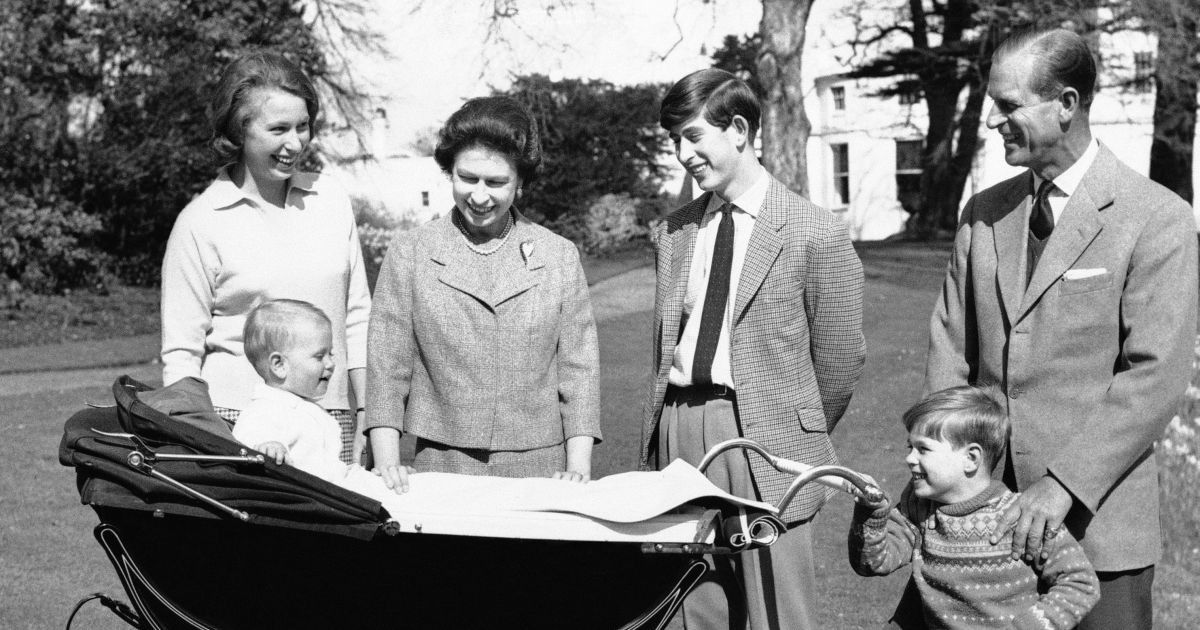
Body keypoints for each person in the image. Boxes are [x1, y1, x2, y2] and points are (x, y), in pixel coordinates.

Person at [925, 28, 1198, 630]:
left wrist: (1063, 485)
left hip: (1099, 536)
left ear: (1067, 104)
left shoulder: (1156, 218)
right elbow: (951, 348)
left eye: (1008, 106)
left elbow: (1154, 378)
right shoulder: (983, 214)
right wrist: (949, 471)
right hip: (979, 535)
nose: (994, 122)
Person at [640, 68, 866, 629]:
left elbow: (839, 358)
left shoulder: (813, 230)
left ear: (738, 129)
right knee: (690, 605)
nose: (683, 154)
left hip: (762, 441)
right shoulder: (675, 232)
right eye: (674, 142)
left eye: (693, 137)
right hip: (677, 428)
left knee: (776, 610)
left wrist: (792, 428)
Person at [365, 96, 601, 492]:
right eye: (467, 178)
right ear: (449, 173)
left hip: (541, 464)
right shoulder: (411, 252)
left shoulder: (558, 255)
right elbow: (387, 367)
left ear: (521, 182)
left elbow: (579, 370)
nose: (478, 196)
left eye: (495, 182)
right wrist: (387, 464)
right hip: (441, 461)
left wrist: (577, 469)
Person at [160, 51, 371, 466]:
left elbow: (358, 316)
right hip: (237, 425)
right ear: (239, 131)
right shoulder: (200, 222)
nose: (295, 143)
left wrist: (367, 412)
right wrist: (207, 442)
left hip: (333, 419)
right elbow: (181, 354)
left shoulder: (330, 200)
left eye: (303, 127)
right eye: (278, 129)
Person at [849, 386, 1100, 629]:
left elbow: (1081, 583)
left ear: (971, 459)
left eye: (923, 449)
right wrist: (871, 514)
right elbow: (872, 563)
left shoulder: (1020, 518)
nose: (909, 458)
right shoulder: (917, 511)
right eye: (910, 447)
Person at [231, 299, 408, 496]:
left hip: (330, 499)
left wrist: (379, 480)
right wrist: (267, 447)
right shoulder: (265, 411)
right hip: (303, 510)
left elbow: (333, 474)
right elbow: (250, 444)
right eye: (319, 356)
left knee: (406, 485)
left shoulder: (312, 411)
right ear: (279, 365)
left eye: (331, 354)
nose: (331, 363)